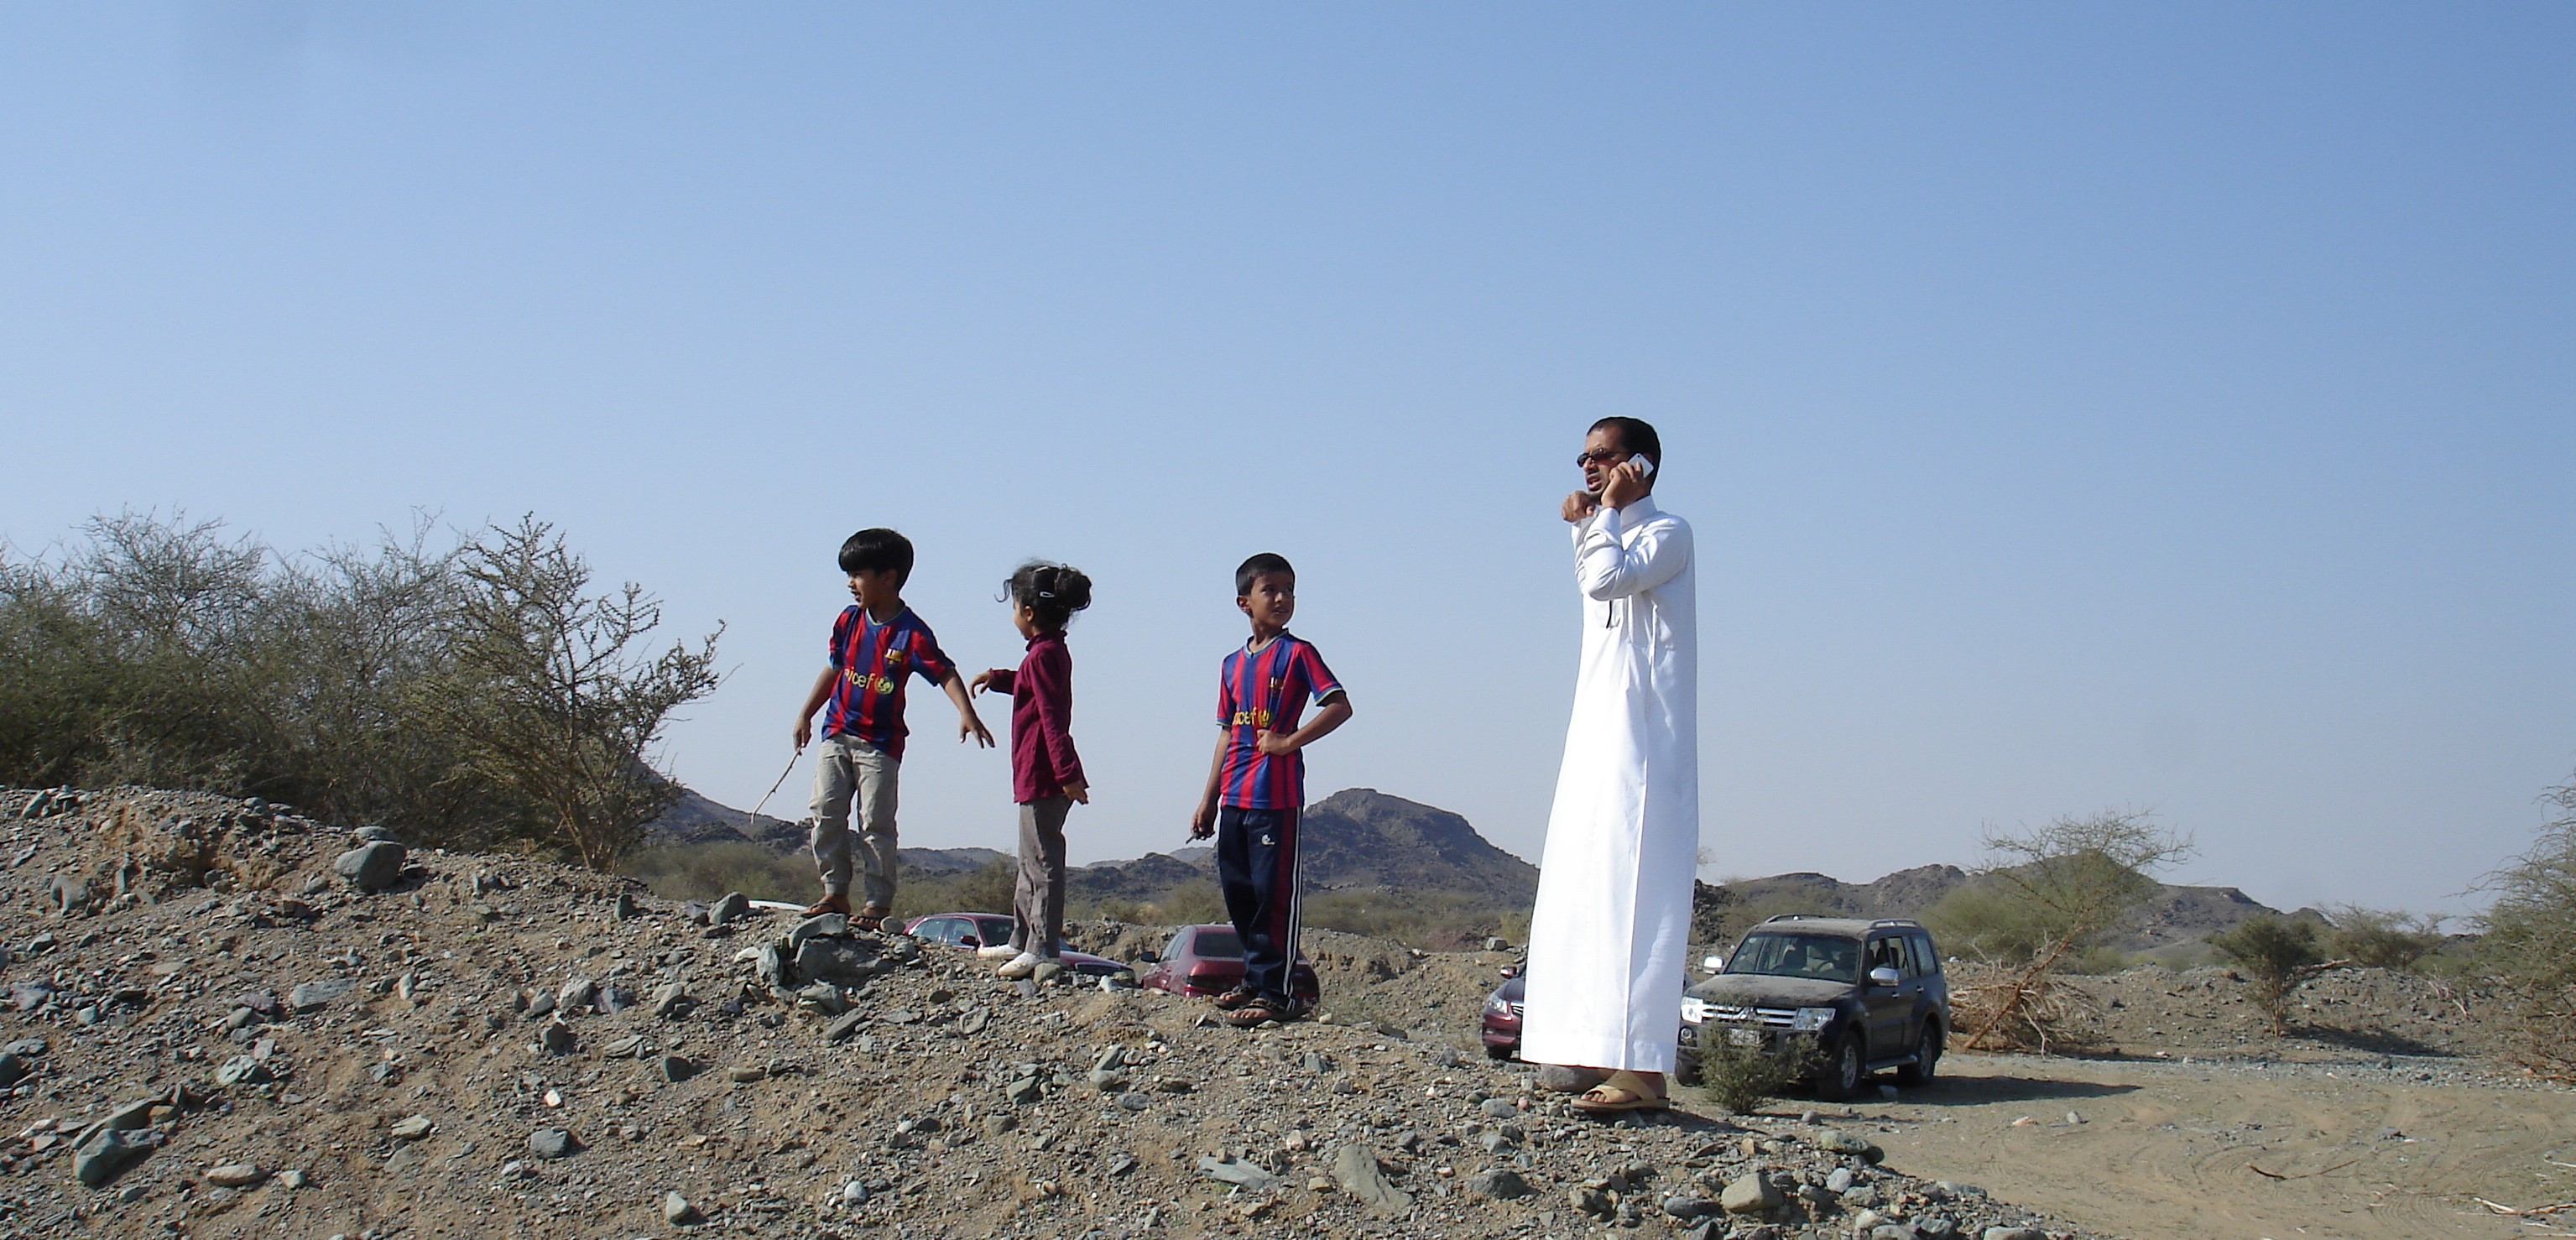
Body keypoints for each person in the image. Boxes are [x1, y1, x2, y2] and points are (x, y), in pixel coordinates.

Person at [1520, 417, 1698, 1114]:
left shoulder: (1666, 532)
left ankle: (1642, 1072)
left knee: (1633, 887)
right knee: (1582, 880)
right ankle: (1591, 1047)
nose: (1588, 467)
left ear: (1640, 466)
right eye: (1583, 457)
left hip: (1643, 740)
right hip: (1596, 728)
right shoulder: (1616, 529)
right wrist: (1590, 524)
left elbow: (1604, 581)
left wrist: (1600, 520)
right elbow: (1597, 580)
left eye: (1603, 456)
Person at [790, 528, 993, 930]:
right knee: (825, 812)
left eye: (858, 575)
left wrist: (966, 712)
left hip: (879, 745)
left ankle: (877, 904)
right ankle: (835, 893)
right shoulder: (848, 621)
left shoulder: (911, 633)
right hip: (837, 732)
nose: (851, 584)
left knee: (875, 823)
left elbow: (944, 671)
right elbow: (833, 668)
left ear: (888, 577)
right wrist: (806, 713)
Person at [1187, 553, 1353, 1028]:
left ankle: (1277, 994)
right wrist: (1208, 798)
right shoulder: (1231, 665)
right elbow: (1226, 733)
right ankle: (1255, 981)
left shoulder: (1299, 654)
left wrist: (1288, 741)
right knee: (1239, 893)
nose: (1281, 599)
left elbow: (1339, 705)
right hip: (1234, 797)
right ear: (1244, 603)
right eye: (1270, 590)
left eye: (1289, 590)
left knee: (1272, 895)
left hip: (1275, 798)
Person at [967, 560, 1094, 979]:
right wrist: (1000, 677)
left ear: (1027, 611)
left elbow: (1053, 718)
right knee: (1029, 861)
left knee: (1043, 862)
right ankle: (1021, 940)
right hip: (1034, 775)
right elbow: (1030, 683)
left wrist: (1066, 772)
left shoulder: (1045, 655)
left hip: (1045, 776)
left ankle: (1043, 947)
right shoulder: (1045, 654)